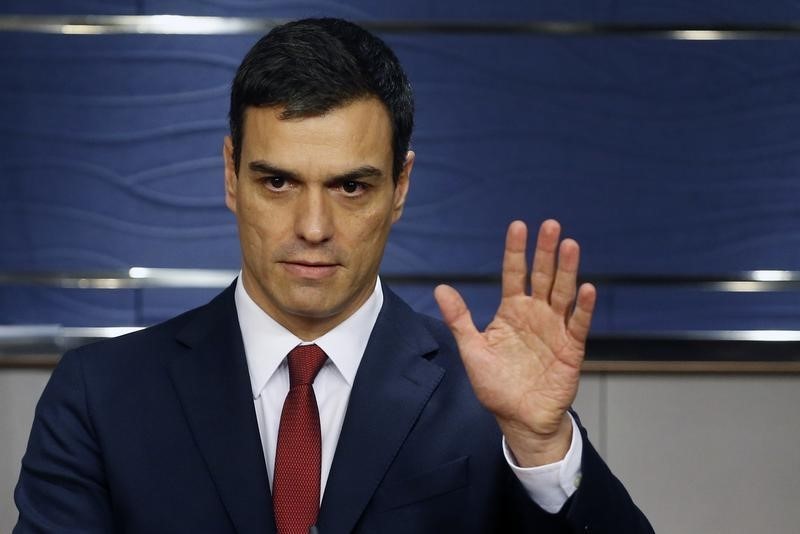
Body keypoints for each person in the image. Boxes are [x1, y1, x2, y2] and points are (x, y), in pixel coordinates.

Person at [14, 18, 653, 533]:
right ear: (230, 174)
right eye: (278, 181)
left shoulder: (487, 402)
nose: (313, 226)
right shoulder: (100, 397)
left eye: (351, 186)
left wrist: (543, 448)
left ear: (400, 187)